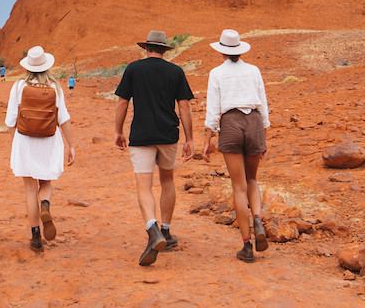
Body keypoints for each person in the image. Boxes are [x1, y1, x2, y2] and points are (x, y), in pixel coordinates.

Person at [114, 30, 195, 265]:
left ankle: (153, 230)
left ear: (146, 48)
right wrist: (189, 139)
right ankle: (166, 232)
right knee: (167, 181)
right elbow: (184, 108)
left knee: (144, 185)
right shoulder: (176, 71)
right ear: (164, 50)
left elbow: (122, 103)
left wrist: (118, 131)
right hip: (168, 135)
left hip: (141, 136)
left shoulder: (134, 69)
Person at [202, 28, 270, 263]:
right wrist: (264, 133)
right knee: (252, 180)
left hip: (230, 123)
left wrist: (207, 139)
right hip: (254, 122)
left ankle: (247, 245)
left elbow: (213, 110)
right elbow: (263, 103)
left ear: (221, 51)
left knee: (238, 186)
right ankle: (258, 218)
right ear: (239, 50)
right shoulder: (253, 70)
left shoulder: (216, 73)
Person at [4, 45, 76, 252]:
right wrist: (71, 145)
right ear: (46, 65)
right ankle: (45, 204)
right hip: (48, 140)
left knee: (29, 189)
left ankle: (35, 237)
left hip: (25, 140)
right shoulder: (55, 86)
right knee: (45, 182)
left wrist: (15, 143)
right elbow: (64, 119)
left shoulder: (18, 86)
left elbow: (10, 121)